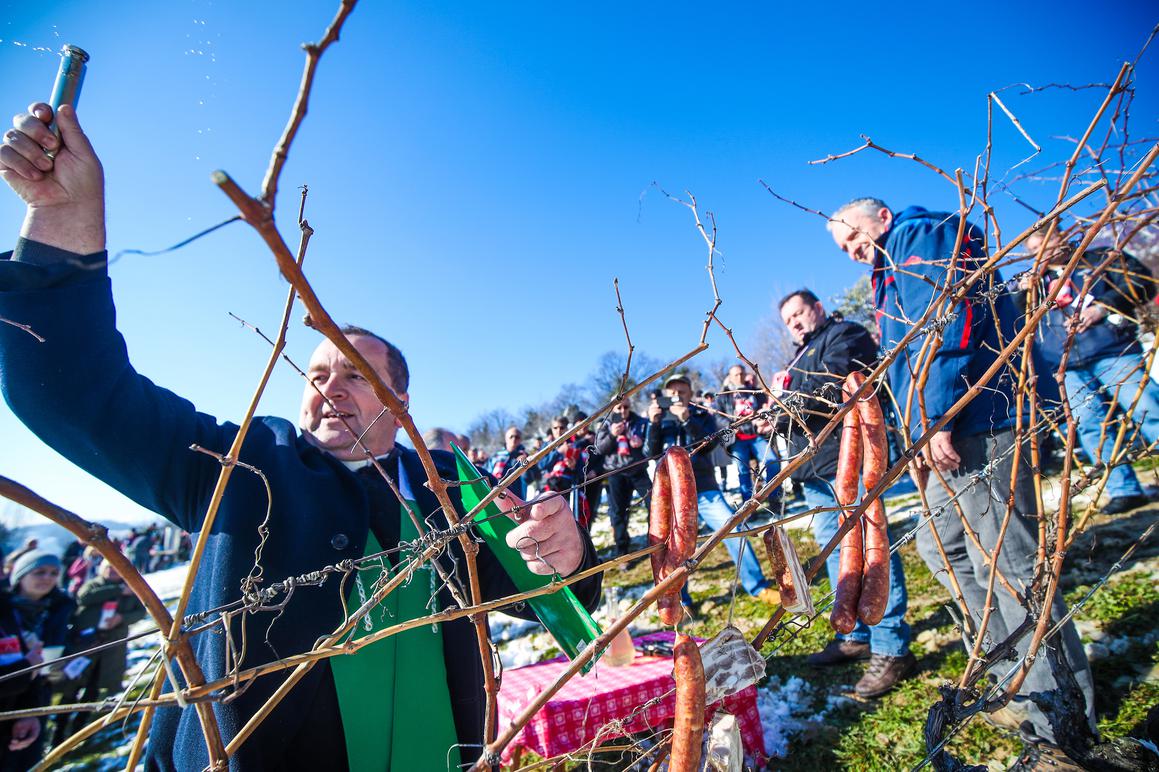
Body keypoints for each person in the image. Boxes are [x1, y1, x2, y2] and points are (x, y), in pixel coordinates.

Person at [0, 101, 600, 770]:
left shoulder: (450, 487)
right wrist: (60, 220)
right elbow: (78, 394)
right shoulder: (241, 468)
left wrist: (567, 551)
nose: (328, 388)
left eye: (353, 375)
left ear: (400, 401)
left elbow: (536, 583)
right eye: (315, 373)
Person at [828, 197, 1095, 758]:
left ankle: (1061, 713)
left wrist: (936, 412)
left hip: (978, 416)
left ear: (880, 216)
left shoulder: (918, 240)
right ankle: (1013, 680)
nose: (852, 253)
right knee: (942, 545)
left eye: (852, 237)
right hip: (942, 429)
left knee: (1008, 561)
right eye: (844, 249)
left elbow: (950, 319)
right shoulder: (887, 269)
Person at [774, 289, 915, 696]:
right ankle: (855, 635)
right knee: (837, 553)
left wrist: (786, 409)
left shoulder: (845, 336)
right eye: (789, 320)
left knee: (872, 549)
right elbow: (794, 411)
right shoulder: (797, 358)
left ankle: (892, 646)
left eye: (799, 313)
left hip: (848, 463)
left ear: (817, 308)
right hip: (815, 470)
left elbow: (832, 385)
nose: (795, 323)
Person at [1022, 227, 1159, 514]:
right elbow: (1017, 326)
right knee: (1088, 424)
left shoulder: (1099, 260)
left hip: (1112, 351)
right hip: (1064, 365)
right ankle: (1124, 489)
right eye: (1034, 252)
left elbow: (1144, 283)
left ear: (1061, 238)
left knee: (1147, 409)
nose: (1041, 255)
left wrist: (1104, 307)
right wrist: (1024, 294)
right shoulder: (1035, 284)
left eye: (1045, 247)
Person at [646, 373, 779, 605]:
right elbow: (651, 452)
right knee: (674, 547)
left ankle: (757, 586)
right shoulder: (661, 419)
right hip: (671, 495)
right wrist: (653, 424)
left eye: (681, 391)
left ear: (690, 394)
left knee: (731, 529)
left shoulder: (701, 415)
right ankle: (679, 599)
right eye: (672, 392)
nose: (676, 396)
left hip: (704, 487)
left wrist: (687, 419)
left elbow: (710, 445)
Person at [54, 558, 148, 744]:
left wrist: (122, 617)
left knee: (94, 688)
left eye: (116, 568)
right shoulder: (93, 585)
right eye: (108, 567)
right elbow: (84, 598)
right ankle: (58, 732)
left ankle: (79, 732)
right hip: (85, 645)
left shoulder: (132, 589)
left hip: (110, 647)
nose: (113, 571)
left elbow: (141, 611)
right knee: (71, 687)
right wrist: (118, 590)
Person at [3, 551, 73, 768]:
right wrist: (28, 667)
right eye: (39, 572)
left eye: (53, 573)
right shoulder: (7, 610)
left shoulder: (61, 608)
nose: (47, 578)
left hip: (34, 694)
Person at [714, 364, 781, 506]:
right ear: (730, 377)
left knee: (772, 462)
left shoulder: (755, 392)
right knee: (743, 471)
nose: (739, 377)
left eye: (741, 374)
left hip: (757, 436)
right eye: (736, 375)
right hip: (737, 440)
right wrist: (730, 426)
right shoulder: (724, 396)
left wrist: (764, 416)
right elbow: (718, 416)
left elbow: (767, 408)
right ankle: (748, 506)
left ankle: (774, 499)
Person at [594, 400, 651, 556]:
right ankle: (622, 550)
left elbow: (652, 442)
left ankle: (653, 542)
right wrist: (613, 434)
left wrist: (641, 442)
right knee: (619, 512)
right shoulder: (605, 424)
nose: (623, 410)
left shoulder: (640, 421)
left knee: (653, 503)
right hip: (616, 472)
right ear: (613, 408)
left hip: (638, 469)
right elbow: (599, 449)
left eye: (626, 406)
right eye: (619, 407)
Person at [485, 425, 531, 499]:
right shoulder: (496, 457)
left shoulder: (526, 456)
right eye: (511, 436)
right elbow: (486, 475)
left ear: (520, 440)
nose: (514, 439)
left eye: (517, 437)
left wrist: (525, 464)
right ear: (506, 439)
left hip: (517, 500)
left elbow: (533, 478)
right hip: (496, 496)